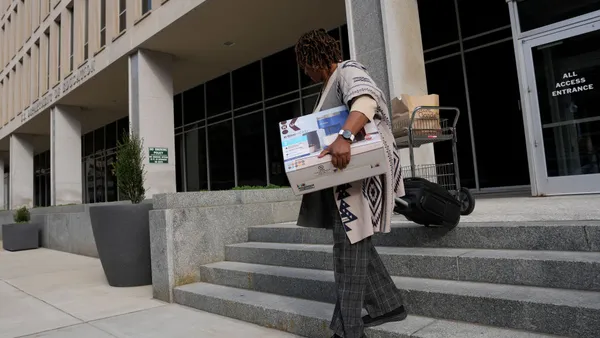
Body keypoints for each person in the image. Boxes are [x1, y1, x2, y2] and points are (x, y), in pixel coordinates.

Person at [294, 29, 407, 338]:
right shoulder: (329, 84)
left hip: (359, 181)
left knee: (348, 251)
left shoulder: (348, 70)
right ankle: (387, 304)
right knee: (354, 246)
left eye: (305, 65)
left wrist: (344, 137)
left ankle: (348, 332)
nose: (305, 72)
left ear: (314, 58)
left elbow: (366, 102)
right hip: (346, 181)